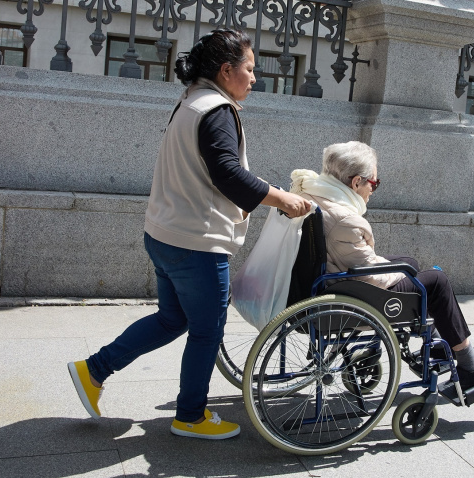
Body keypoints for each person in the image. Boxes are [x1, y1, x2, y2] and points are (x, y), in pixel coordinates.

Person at [67, 29, 310, 440]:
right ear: (226, 69)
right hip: (196, 244)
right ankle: (191, 416)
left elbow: (215, 171)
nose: (254, 79)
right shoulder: (217, 109)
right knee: (206, 330)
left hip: (165, 235)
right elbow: (228, 176)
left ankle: (94, 370)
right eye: (249, 70)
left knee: (172, 318)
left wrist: (270, 189)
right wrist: (282, 200)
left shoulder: (192, 101)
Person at [290, 141, 474, 389]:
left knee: (410, 263)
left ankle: (440, 344)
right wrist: (399, 272)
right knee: (436, 282)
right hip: (343, 293)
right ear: (356, 182)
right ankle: (471, 365)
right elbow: (370, 277)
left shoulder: (312, 194)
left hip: (321, 280)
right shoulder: (346, 220)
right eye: (373, 183)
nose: (373, 190)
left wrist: (400, 268)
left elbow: (356, 259)